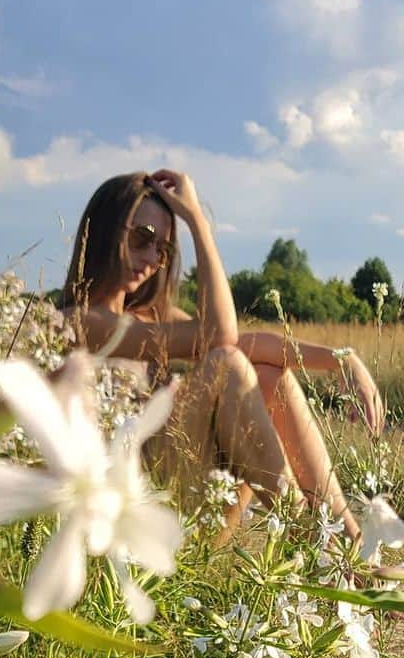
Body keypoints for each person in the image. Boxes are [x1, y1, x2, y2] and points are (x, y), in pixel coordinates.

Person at [61, 169, 384, 541]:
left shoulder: (149, 318)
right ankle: (318, 544)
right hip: (137, 521)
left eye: (162, 250)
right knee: (224, 364)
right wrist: (198, 223)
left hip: (194, 497)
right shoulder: (81, 322)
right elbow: (220, 337)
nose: (151, 258)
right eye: (141, 238)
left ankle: (348, 540)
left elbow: (247, 345)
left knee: (266, 375)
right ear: (104, 231)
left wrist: (342, 359)